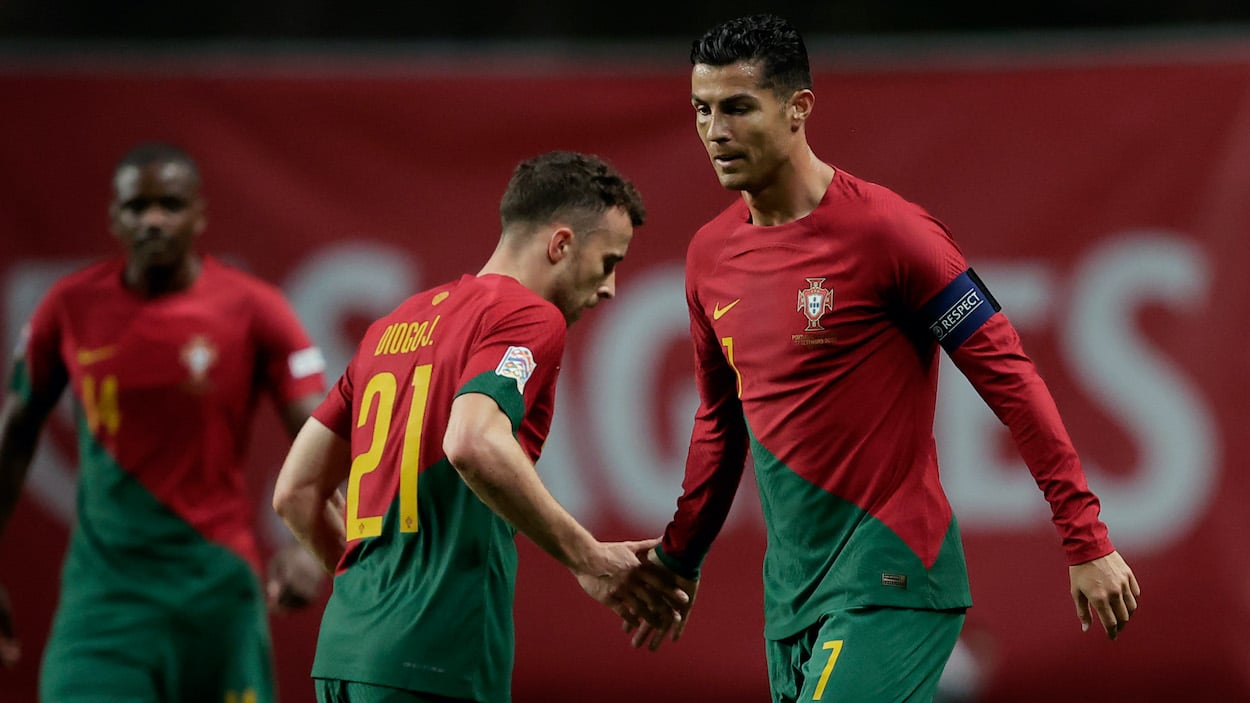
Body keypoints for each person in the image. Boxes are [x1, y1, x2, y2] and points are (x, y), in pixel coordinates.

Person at [623, 14, 1142, 703]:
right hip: (791, 599)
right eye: (702, 109)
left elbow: (1010, 379)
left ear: (798, 107)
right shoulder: (708, 257)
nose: (715, 131)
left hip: (893, 575)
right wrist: (677, 558)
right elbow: (720, 426)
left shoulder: (891, 232)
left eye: (738, 107)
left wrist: (1087, 537)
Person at [273, 150, 684, 703]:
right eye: (608, 262)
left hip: (347, 656)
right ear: (561, 245)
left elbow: (296, 493)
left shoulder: (392, 327)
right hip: (436, 663)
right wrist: (586, 555)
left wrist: (367, 595)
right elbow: (471, 440)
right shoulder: (528, 315)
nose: (609, 287)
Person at [0, 142, 328, 701]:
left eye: (170, 205)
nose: (153, 219)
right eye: (137, 207)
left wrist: (315, 547)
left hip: (216, 594)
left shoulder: (253, 308)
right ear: (114, 217)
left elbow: (326, 436)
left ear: (199, 214)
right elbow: (15, 435)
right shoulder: (69, 307)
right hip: (105, 601)